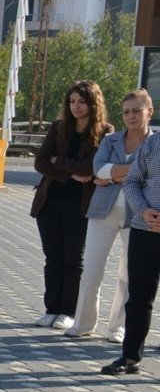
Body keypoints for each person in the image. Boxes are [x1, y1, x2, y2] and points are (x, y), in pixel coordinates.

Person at [67, 89, 153, 341]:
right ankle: (82, 324)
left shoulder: (154, 144)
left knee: (127, 275)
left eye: (137, 111)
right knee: (91, 271)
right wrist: (131, 174)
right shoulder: (111, 140)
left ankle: (117, 328)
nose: (131, 116)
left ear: (150, 112)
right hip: (101, 211)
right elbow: (98, 170)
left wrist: (113, 174)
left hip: (137, 215)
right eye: (126, 112)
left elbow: (150, 175)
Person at [31, 81, 112, 331]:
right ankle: (51, 309)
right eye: (72, 101)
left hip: (80, 204)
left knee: (73, 259)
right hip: (51, 201)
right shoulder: (58, 128)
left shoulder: (104, 131)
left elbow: (92, 167)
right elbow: (41, 162)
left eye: (81, 101)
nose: (76, 106)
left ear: (93, 103)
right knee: (53, 257)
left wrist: (60, 161)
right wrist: (70, 174)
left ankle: (68, 311)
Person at [101, 111, 160, 375]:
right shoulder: (152, 143)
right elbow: (133, 181)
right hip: (144, 229)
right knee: (138, 298)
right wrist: (143, 211)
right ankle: (130, 357)